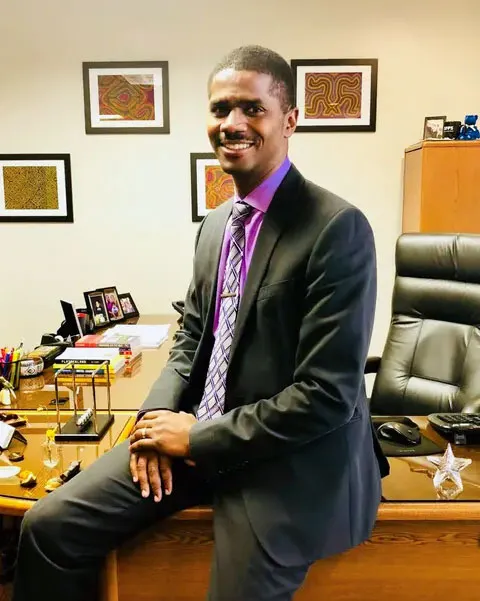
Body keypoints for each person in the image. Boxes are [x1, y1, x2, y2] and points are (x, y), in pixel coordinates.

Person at [12, 45, 389, 601]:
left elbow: (326, 396)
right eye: (220, 109)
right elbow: (192, 335)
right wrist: (156, 419)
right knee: (47, 529)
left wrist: (197, 436)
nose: (232, 124)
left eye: (252, 109)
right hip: (203, 433)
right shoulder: (216, 225)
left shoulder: (337, 228)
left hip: (288, 458)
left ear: (289, 121)